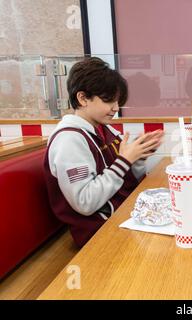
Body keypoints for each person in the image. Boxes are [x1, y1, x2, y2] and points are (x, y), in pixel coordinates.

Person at [44, 57, 164, 247]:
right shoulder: (69, 139)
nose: (116, 108)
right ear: (82, 98)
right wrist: (125, 160)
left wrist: (140, 155)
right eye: (109, 100)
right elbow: (84, 203)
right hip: (97, 231)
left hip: (123, 214)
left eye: (117, 101)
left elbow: (125, 176)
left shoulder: (104, 129)